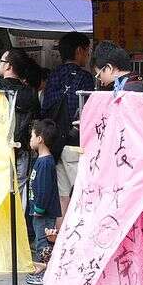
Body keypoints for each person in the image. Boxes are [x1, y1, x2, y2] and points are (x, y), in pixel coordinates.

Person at [40, 32, 93, 218]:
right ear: (79, 51)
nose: (88, 56)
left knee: (62, 197)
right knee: (81, 194)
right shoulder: (85, 78)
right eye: (87, 51)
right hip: (74, 143)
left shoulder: (53, 75)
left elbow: (45, 108)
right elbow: (87, 112)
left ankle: (60, 239)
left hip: (53, 143)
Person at [0, 49, 41, 200]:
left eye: (1, 61)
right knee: (19, 190)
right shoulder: (30, 93)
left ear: (8, 66)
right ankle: (17, 222)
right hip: (22, 148)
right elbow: (36, 119)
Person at [26, 118, 61, 285]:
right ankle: (43, 269)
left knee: (44, 243)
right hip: (39, 212)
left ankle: (45, 272)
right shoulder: (42, 160)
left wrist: (38, 209)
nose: (30, 139)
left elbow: (44, 190)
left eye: (32, 136)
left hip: (44, 213)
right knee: (42, 241)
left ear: (40, 139)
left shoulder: (46, 163)